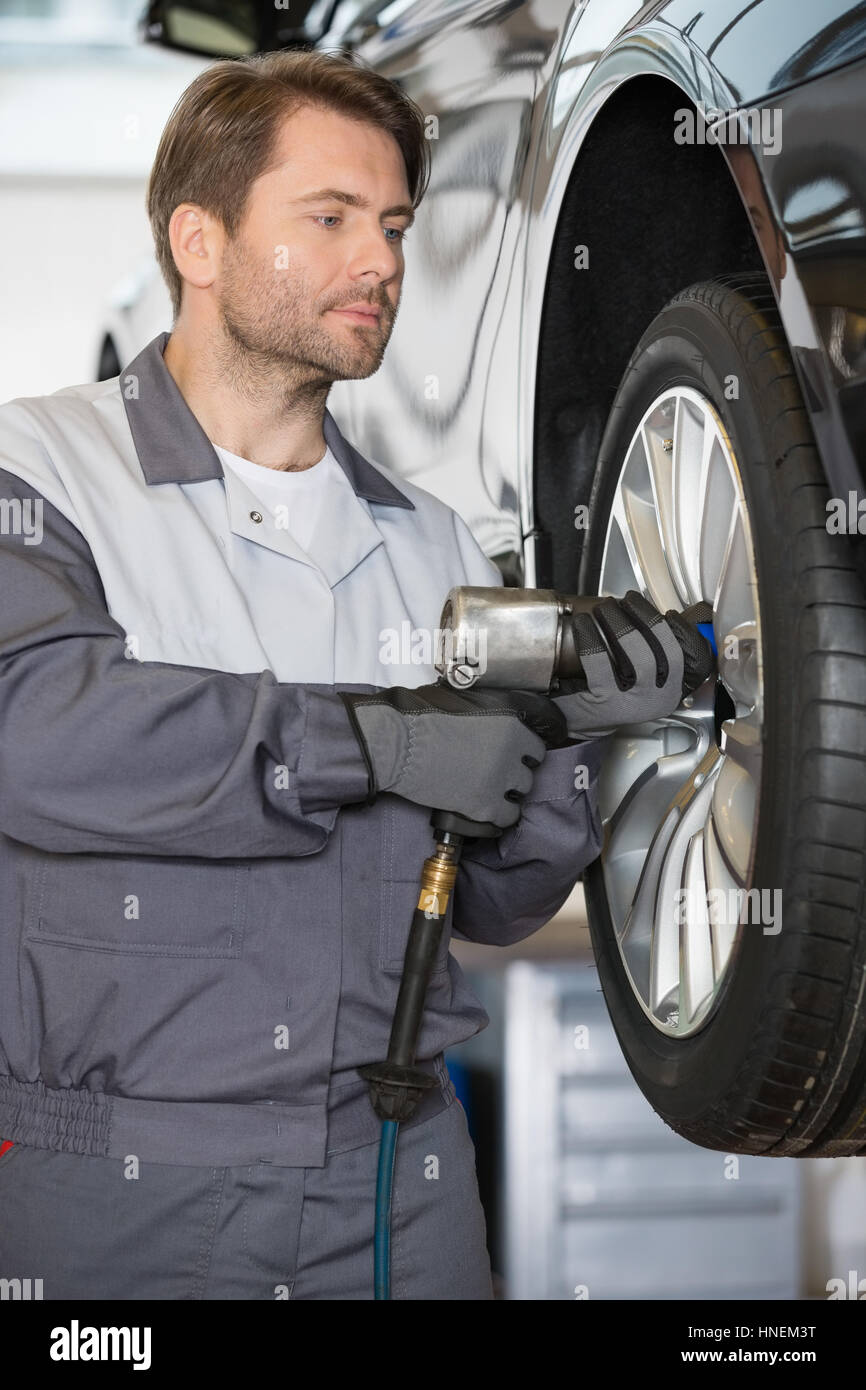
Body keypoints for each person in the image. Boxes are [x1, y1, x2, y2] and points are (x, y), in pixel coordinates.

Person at [0, 48, 705, 1300]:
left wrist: (577, 740)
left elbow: (482, 901)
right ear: (198, 241)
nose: (379, 261)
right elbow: (38, 733)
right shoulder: (42, 469)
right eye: (327, 219)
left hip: (400, 1173)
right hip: (120, 1183)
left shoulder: (432, 547)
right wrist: (375, 739)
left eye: (390, 225)